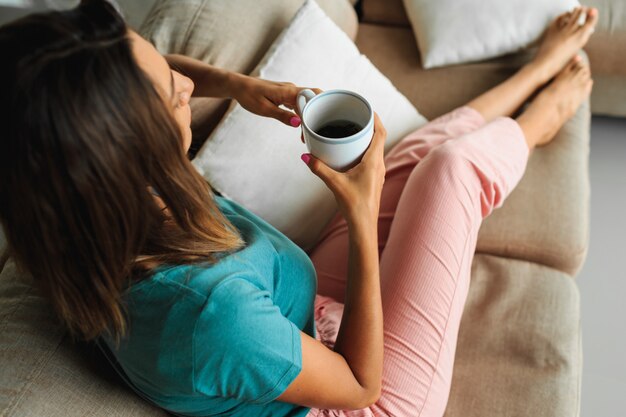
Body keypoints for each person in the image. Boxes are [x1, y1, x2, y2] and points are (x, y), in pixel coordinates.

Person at [0, 1, 597, 416]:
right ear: (123, 154)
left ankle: (534, 74)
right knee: (450, 172)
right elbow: (361, 389)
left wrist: (240, 86)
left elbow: (159, 78)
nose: (186, 86)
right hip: (362, 398)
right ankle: (541, 120)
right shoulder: (212, 315)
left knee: (407, 154)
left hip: (301, 321)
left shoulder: (73, 211)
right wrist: (361, 217)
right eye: (173, 97)